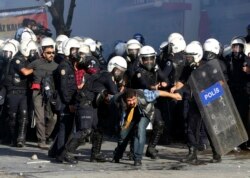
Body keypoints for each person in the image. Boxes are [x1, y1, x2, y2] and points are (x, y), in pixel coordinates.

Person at [171, 41, 222, 163]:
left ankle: (217, 153)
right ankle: (192, 153)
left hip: (207, 100)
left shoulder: (208, 66)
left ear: (197, 55)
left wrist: (208, 92)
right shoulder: (188, 68)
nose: (187, 59)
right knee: (191, 127)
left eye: (189, 57)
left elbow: (220, 83)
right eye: (186, 57)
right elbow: (182, 81)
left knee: (210, 128)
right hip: (194, 101)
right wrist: (174, 88)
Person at [112, 88, 181, 166]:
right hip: (129, 117)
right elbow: (111, 100)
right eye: (129, 101)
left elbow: (158, 93)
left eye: (133, 99)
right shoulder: (118, 100)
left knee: (140, 130)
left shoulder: (145, 95)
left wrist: (173, 95)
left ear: (136, 96)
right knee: (123, 136)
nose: (132, 102)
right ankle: (117, 155)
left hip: (144, 114)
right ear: (125, 99)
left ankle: (137, 158)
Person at [131, 45, 168, 159]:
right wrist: (154, 86)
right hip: (138, 102)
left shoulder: (156, 68)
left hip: (152, 100)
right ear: (141, 59)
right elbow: (144, 84)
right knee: (136, 126)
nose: (149, 61)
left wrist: (164, 83)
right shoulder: (138, 71)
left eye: (151, 58)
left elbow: (165, 79)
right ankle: (133, 150)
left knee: (160, 123)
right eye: (146, 59)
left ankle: (151, 148)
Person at [22, 37, 58, 149]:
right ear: (42, 52)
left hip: (51, 94)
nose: (51, 54)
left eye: (53, 52)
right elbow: (25, 72)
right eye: (48, 53)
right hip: (38, 93)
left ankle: (45, 136)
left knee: (53, 118)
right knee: (40, 117)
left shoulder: (56, 66)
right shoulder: (35, 63)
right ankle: (41, 140)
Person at [3, 39, 30, 147]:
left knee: (24, 115)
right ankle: (13, 138)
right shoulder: (17, 60)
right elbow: (25, 72)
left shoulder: (25, 60)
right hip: (13, 92)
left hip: (23, 92)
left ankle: (21, 138)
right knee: (12, 116)